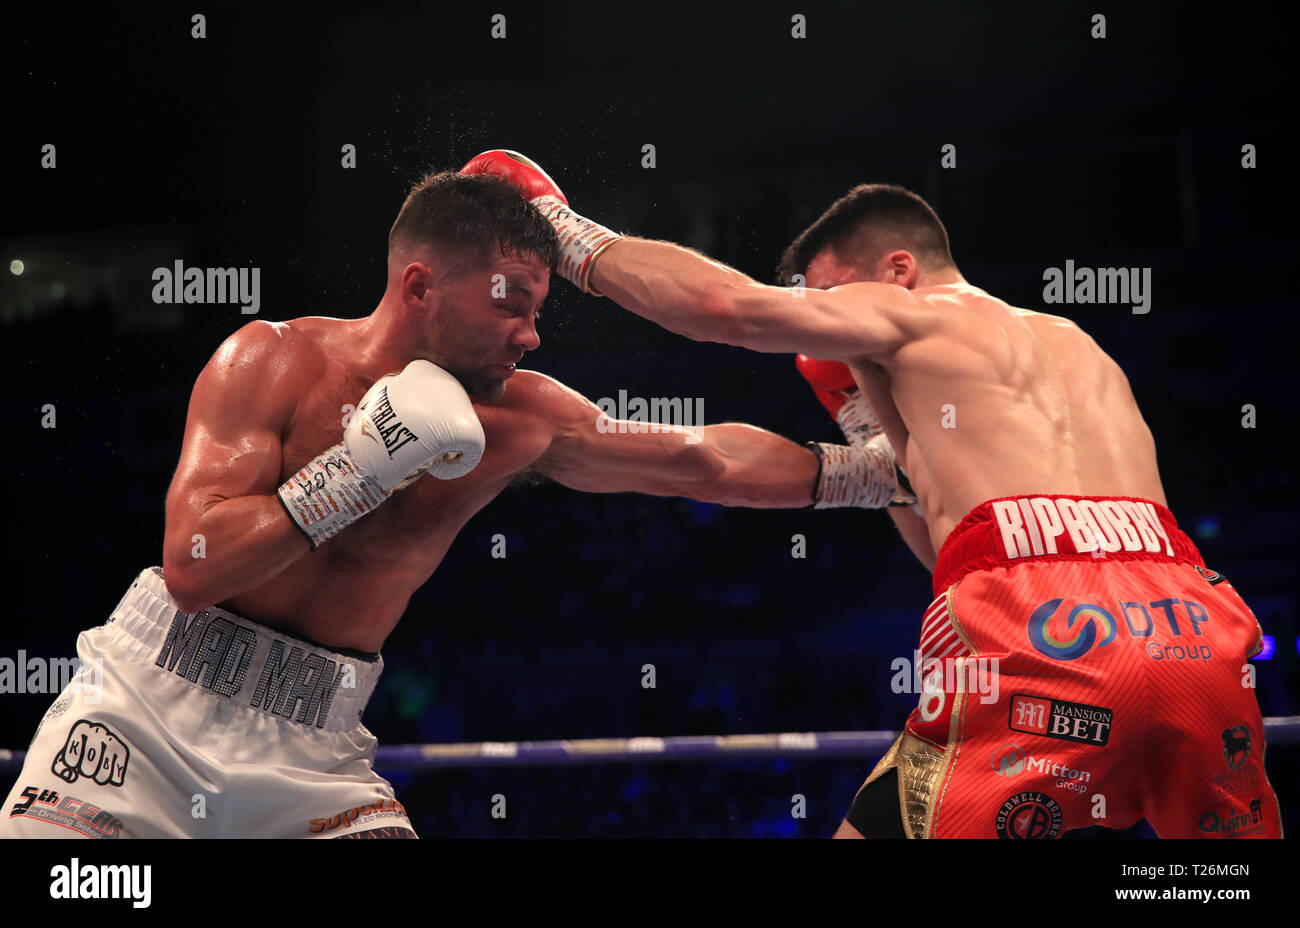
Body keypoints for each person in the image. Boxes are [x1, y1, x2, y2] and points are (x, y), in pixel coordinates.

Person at [0, 170, 907, 839]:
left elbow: (699, 459)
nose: (531, 332)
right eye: (511, 304)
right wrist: (360, 470)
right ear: (420, 285)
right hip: (143, 720)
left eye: (540, 309)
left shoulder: (520, 418)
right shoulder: (272, 360)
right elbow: (195, 568)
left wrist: (875, 473)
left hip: (311, 752)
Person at [463, 150, 1284, 838]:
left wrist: (560, 229)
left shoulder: (918, 318)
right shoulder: (1081, 345)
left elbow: (727, 309)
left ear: (897, 271)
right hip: (1191, 618)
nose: (829, 327)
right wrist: (868, 424)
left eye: (831, 301)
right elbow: (957, 542)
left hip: (1042, 627)